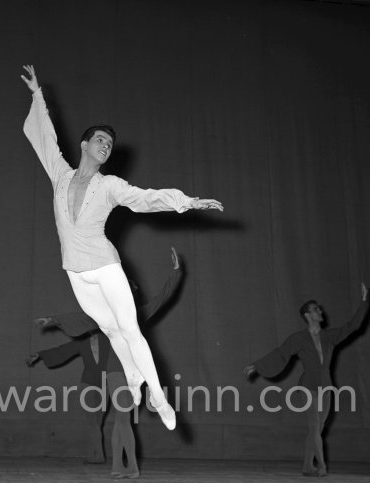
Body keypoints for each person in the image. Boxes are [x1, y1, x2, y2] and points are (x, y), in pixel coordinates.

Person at [21, 64, 223, 430]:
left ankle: (159, 398)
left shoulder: (111, 185)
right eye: (100, 140)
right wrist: (38, 96)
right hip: (75, 272)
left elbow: (147, 198)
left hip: (105, 265)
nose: (105, 146)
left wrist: (188, 202)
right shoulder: (60, 175)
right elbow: (45, 140)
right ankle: (133, 378)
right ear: (84, 145)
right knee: (111, 331)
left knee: (129, 328)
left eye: (109, 144)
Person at [29, 247, 183, 477]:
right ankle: (129, 466)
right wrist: (54, 320)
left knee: (123, 419)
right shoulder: (105, 314)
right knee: (123, 418)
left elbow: (162, 297)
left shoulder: (138, 313)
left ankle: (119, 467)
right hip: (114, 371)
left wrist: (176, 272)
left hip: (133, 372)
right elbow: (82, 318)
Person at [243, 283, 370, 476]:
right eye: (315, 309)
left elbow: (353, 326)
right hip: (307, 387)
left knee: (317, 430)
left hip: (326, 387)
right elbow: (281, 353)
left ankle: (307, 466)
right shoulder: (299, 338)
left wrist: (364, 302)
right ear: (307, 315)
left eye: (318, 308)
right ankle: (322, 466)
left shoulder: (330, 336)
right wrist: (257, 366)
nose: (320, 311)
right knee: (314, 426)